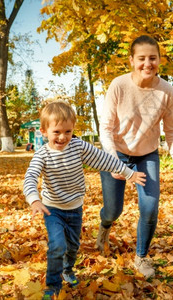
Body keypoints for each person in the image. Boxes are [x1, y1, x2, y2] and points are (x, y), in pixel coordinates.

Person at [23, 101, 146, 298]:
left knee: (72, 246)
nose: (63, 137)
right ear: (44, 131)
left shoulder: (78, 146)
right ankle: (52, 284)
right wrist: (34, 199)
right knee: (57, 246)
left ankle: (67, 270)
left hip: (75, 207)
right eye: (57, 132)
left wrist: (128, 172)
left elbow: (104, 159)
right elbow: (30, 177)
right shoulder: (42, 155)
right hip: (52, 208)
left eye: (68, 131)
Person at [96, 35, 173, 279]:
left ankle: (141, 256)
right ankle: (105, 225)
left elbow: (171, 131)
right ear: (131, 60)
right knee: (113, 210)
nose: (147, 63)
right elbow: (105, 127)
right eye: (141, 58)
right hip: (115, 153)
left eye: (153, 58)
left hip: (146, 155)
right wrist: (112, 160)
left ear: (159, 60)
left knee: (150, 208)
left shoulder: (166, 90)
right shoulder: (119, 86)